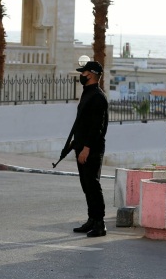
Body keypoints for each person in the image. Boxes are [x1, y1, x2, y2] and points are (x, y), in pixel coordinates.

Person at [70, 60, 109, 237]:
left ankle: (100, 224)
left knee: (93, 185)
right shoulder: (88, 93)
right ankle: (92, 220)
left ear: (91, 74)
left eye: (83, 73)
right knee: (86, 185)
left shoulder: (98, 97)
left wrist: (86, 148)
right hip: (82, 146)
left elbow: (97, 127)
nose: (81, 75)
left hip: (91, 149)